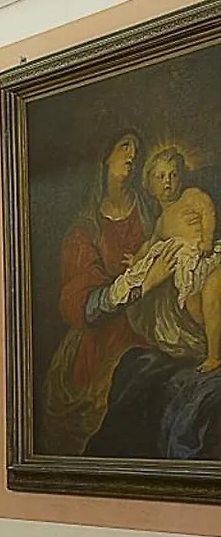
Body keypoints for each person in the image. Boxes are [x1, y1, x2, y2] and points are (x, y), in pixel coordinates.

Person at [39, 130, 154, 454]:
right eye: (124, 146)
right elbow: (84, 307)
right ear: (106, 156)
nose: (132, 155)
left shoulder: (150, 212)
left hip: (148, 330)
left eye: (137, 148)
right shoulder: (84, 230)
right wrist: (141, 285)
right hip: (98, 345)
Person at [121, 147, 221, 372]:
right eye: (161, 176)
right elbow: (150, 244)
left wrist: (207, 238)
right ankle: (215, 344)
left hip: (209, 259)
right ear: (150, 186)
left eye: (173, 175)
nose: (168, 181)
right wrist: (136, 259)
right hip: (189, 273)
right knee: (196, 309)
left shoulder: (191, 196)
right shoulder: (161, 222)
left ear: (181, 177)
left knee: (212, 292)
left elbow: (207, 209)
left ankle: (215, 356)